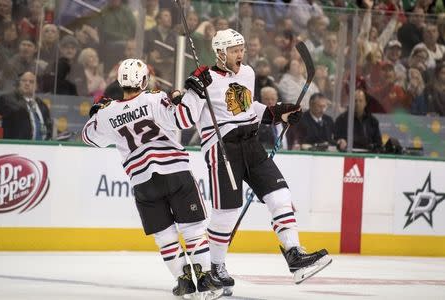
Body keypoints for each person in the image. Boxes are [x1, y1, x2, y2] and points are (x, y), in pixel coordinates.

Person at [181, 29, 332, 296]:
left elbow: (249, 108)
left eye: (241, 48)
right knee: (226, 212)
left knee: (281, 195)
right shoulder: (204, 79)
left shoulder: (248, 73)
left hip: (252, 144)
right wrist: (191, 88)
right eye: (234, 49)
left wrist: (277, 113)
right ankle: (215, 267)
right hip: (222, 147)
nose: (241, 53)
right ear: (220, 53)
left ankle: (294, 254)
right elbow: (186, 117)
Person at [81, 59, 222, 299]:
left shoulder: (108, 113)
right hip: (175, 172)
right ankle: (206, 278)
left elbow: (89, 138)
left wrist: (95, 114)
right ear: (144, 80)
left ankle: (184, 282)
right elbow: (184, 119)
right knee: (192, 228)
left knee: (164, 234)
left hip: (142, 181)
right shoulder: (154, 98)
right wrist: (191, 94)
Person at [0, 71, 52, 140]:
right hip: (16, 147)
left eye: (31, 82)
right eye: (24, 80)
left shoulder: (42, 105)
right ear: (19, 83)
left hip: (41, 147)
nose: (27, 83)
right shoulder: (7, 99)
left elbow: (48, 127)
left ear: (36, 86)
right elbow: (17, 110)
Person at [335, 88, 383, 152]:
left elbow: (378, 143)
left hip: (368, 156)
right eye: (355, 101)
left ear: (365, 103)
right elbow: (335, 140)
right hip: (347, 155)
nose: (357, 103)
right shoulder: (341, 119)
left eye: (360, 101)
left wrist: (373, 146)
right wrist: (340, 141)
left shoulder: (373, 121)